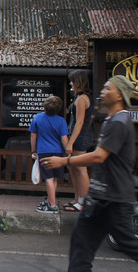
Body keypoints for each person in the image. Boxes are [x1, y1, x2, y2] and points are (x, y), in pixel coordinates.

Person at [42, 76, 138, 271]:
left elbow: (99, 156)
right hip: (100, 197)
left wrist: (64, 161)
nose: (102, 92)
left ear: (119, 96)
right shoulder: (111, 120)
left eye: (108, 89)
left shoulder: (119, 122)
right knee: (81, 245)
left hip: (114, 198)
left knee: (132, 246)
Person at [30, 95, 69, 213]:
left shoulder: (37, 118)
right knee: (54, 178)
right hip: (58, 152)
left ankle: (52, 205)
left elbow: (33, 136)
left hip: (43, 151)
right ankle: (51, 200)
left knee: (48, 178)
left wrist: (33, 151)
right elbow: (64, 139)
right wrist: (68, 152)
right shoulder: (61, 121)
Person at [64, 70, 94, 212]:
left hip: (80, 136)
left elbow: (80, 122)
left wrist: (70, 142)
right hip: (79, 135)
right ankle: (77, 199)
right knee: (73, 168)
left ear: (78, 82)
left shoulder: (82, 99)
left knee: (80, 169)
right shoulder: (85, 97)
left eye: (72, 81)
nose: (70, 84)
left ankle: (83, 201)